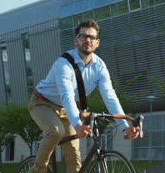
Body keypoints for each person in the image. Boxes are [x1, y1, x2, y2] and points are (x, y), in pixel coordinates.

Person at [28, 19, 140, 173]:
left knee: (74, 157)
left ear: (97, 42)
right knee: (56, 131)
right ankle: (37, 170)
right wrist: (77, 124)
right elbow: (67, 95)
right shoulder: (64, 63)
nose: (88, 40)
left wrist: (124, 127)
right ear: (76, 41)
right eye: (83, 36)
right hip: (42, 103)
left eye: (92, 37)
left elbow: (110, 96)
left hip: (66, 109)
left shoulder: (99, 67)